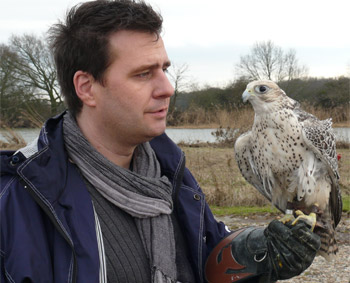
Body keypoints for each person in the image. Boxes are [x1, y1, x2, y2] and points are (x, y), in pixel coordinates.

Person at [0, 1, 321, 282]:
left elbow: (206, 261)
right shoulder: (22, 201)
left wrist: (257, 253)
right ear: (86, 87)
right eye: (143, 74)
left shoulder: (169, 173)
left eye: (164, 69)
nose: (166, 88)